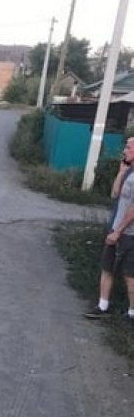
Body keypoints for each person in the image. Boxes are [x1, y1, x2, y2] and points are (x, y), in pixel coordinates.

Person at [85, 136, 134, 319]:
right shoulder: (129, 172)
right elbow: (115, 194)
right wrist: (122, 172)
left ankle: (131, 314)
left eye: (128, 148)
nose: (124, 151)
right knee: (107, 268)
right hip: (116, 230)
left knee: (130, 275)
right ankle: (102, 306)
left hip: (129, 234)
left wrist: (119, 231)